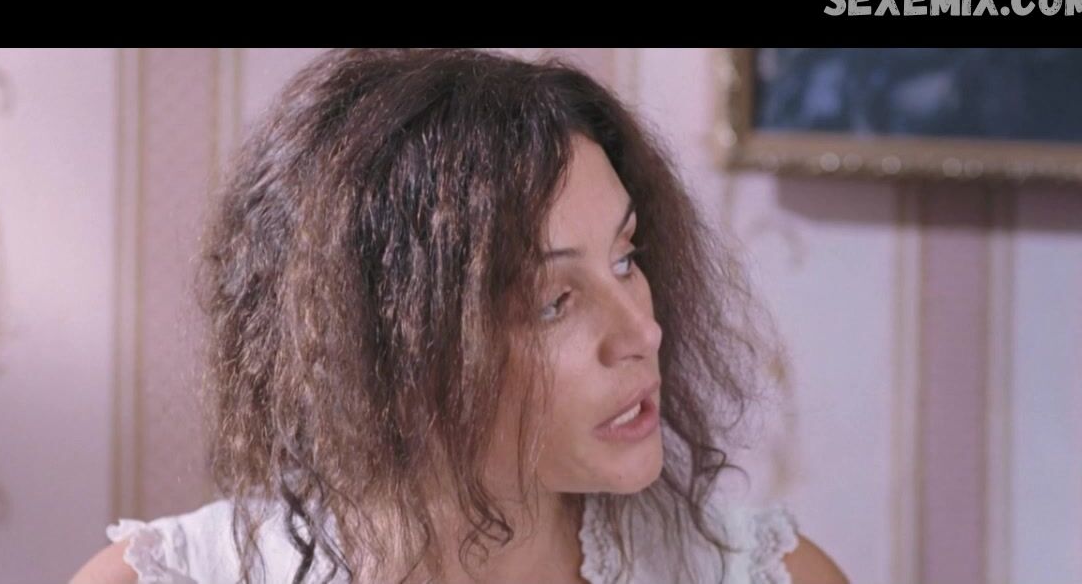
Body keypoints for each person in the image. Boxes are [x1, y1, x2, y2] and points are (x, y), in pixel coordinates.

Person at [71, 48, 849, 584]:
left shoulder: (771, 577)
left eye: (625, 259)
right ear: (388, 350)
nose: (641, 333)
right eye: (553, 303)